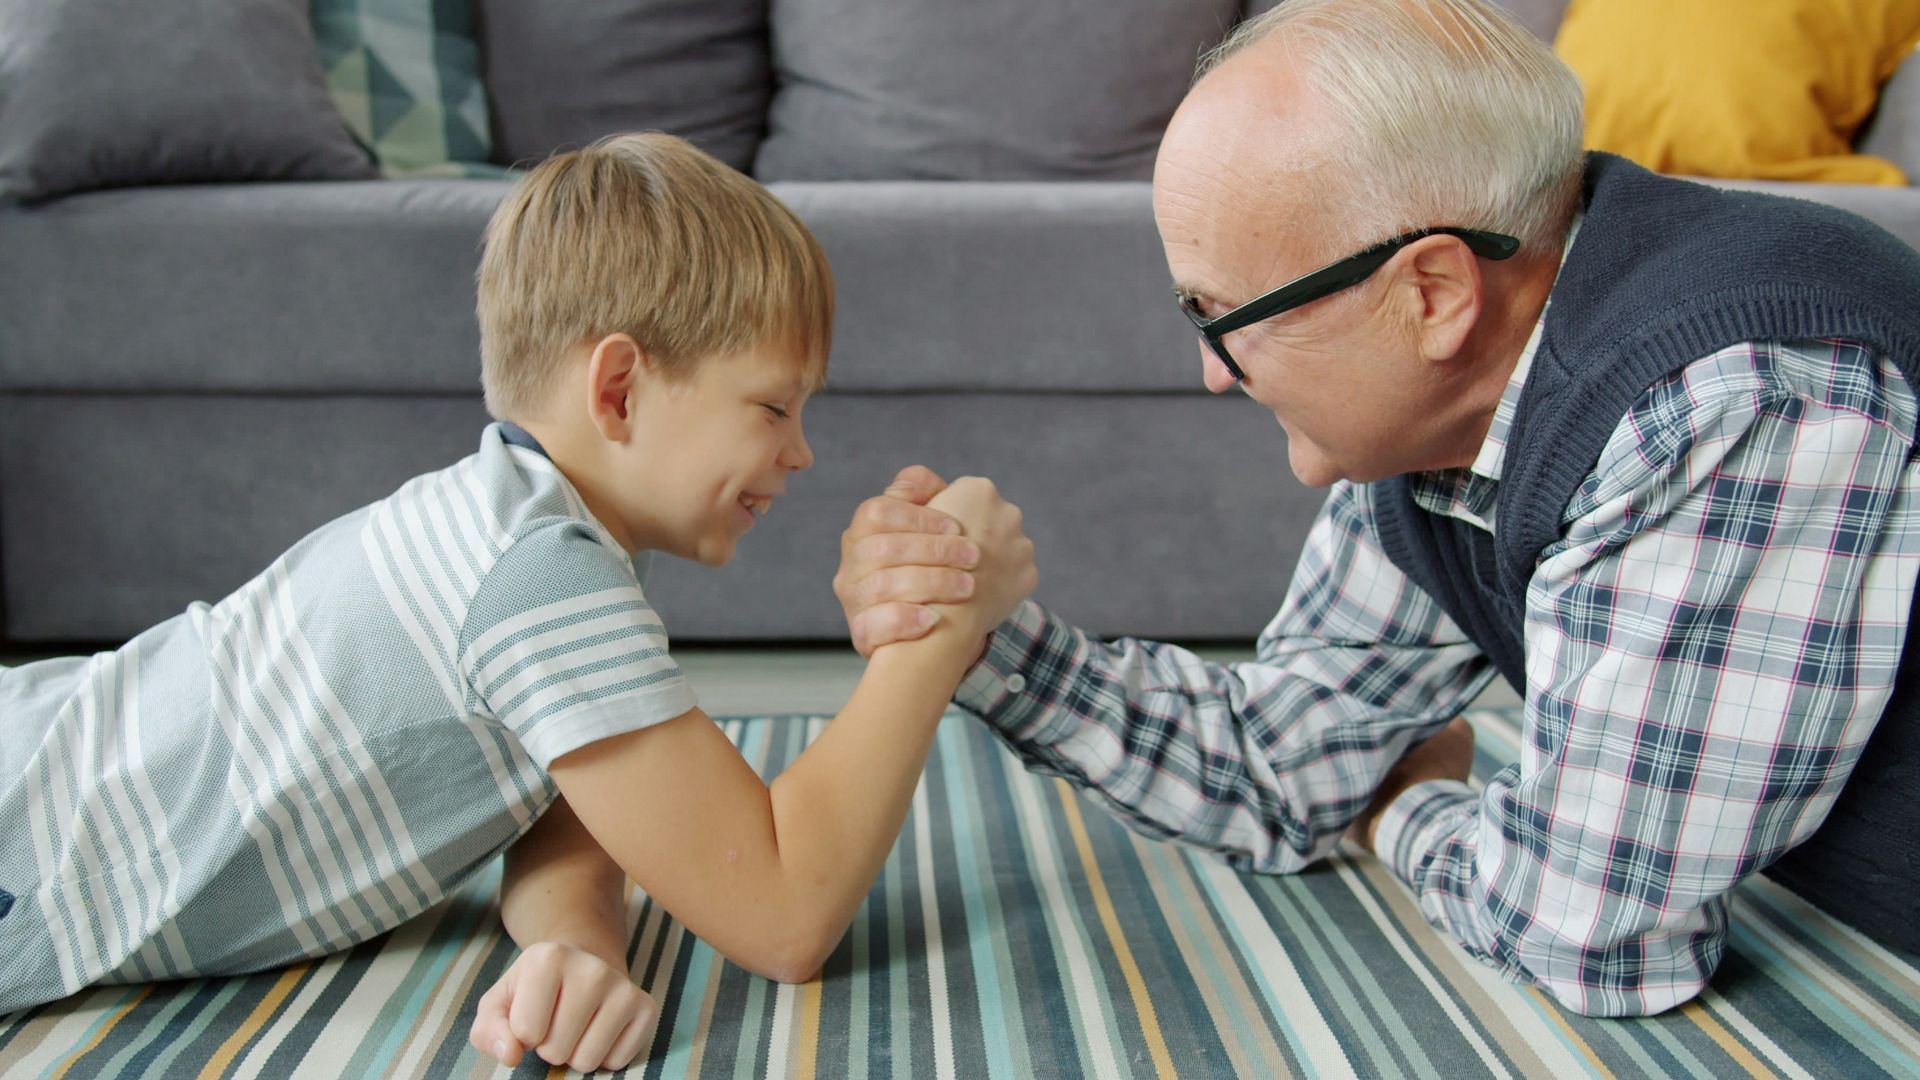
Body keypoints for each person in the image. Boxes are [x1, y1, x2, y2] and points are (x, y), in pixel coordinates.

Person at [831, 0, 1920, 1018]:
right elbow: (1283, 765)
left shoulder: (1736, 397)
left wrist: (1402, 806)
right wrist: (981, 635)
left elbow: (1587, 939)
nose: (1213, 373)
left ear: (1432, 292)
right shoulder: (1445, 417)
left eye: (1224, 316)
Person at [0, 133, 1037, 1073]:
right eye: (773, 405)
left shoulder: (522, 532)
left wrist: (572, 951)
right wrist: (938, 631)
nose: (801, 453)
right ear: (621, 389)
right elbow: (782, 913)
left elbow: (569, 811)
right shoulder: (538, 576)